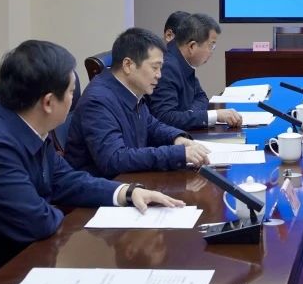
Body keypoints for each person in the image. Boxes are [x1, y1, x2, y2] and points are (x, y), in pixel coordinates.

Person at [0, 40, 182, 274]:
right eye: (71, 92)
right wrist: (66, 217)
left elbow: (63, 178)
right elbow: (38, 222)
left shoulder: (23, 122)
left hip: (13, 258)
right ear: (48, 102)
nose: (73, 101)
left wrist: (126, 191)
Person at [66, 27, 211, 178]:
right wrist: (177, 154)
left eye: (160, 68)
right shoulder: (98, 101)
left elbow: (151, 125)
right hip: (104, 186)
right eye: (155, 67)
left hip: (129, 179)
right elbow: (114, 159)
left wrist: (177, 138)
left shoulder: (130, 89)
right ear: (128, 65)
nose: (159, 75)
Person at [149, 12, 243, 130]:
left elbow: (201, 97)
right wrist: (215, 115)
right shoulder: (167, 67)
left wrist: (189, 114)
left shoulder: (181, 60)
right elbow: (166, 118)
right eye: (211, 46)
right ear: (192, 46)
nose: (212, 52)